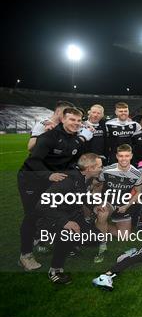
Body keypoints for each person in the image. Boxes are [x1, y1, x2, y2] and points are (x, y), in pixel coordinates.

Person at [18, 107, 90, 271]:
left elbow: (71, 161)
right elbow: (34, 160)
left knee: (59, 210)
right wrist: (48, 175)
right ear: (63, 119)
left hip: (51, 180)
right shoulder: (48, 136)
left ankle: (61, 243)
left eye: (79, 121)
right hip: (31, 180)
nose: (76, 123)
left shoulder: (74, 139)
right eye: (72, 120)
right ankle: (25, 255)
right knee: (32, 216)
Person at [35, 153, 104, 284]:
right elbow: (41, 205)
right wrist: (65, 222)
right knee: (67, 234)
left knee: (96, 238)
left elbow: (82, 195)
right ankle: (55, 270)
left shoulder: (83, 177)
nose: (102, 168)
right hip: (53, 219)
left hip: (71, 216)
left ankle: (69, 245)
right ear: (89, 168)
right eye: (100, 166)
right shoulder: (67, 181)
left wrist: (94, 206)